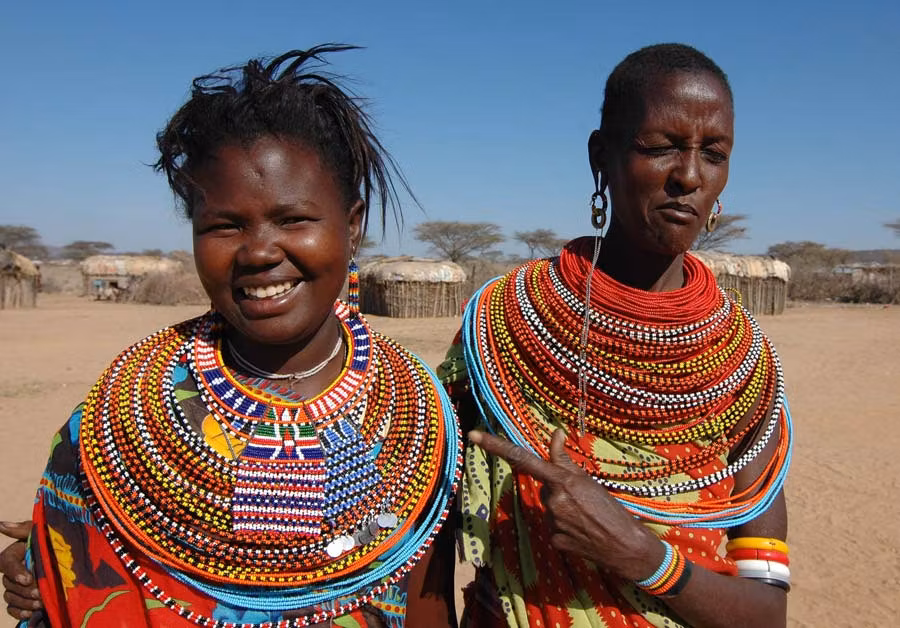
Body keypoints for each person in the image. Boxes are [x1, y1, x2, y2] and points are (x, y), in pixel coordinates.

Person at [0, 45, 460, 627]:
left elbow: (426, 605)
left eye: (293, 219)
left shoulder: (419, 416)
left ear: (352, 226)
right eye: (224, 226)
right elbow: (78, 572)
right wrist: (54, 561)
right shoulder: (124, 409)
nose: (259, 252)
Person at [437, 43, 792, 627]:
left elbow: (767, 614)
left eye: (714, 154)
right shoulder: (502, 326)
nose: (689, 176)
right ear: (601, 156)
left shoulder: (741, 364)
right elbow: (430, 550)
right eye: (660, 147)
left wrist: (641, 556)